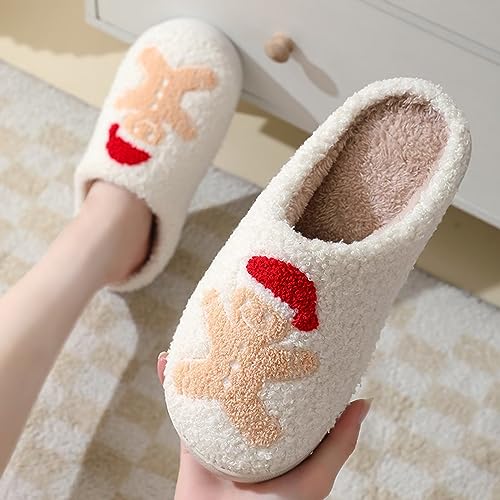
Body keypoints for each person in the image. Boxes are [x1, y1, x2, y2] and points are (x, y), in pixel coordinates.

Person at [0, 179, 370, 498]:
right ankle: (105, 233)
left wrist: (298, 361)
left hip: (243, 392)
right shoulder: (232, 322)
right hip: (213, 372)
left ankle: (99, 235)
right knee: (201, 377)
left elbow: (286, 361)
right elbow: (219, 319)